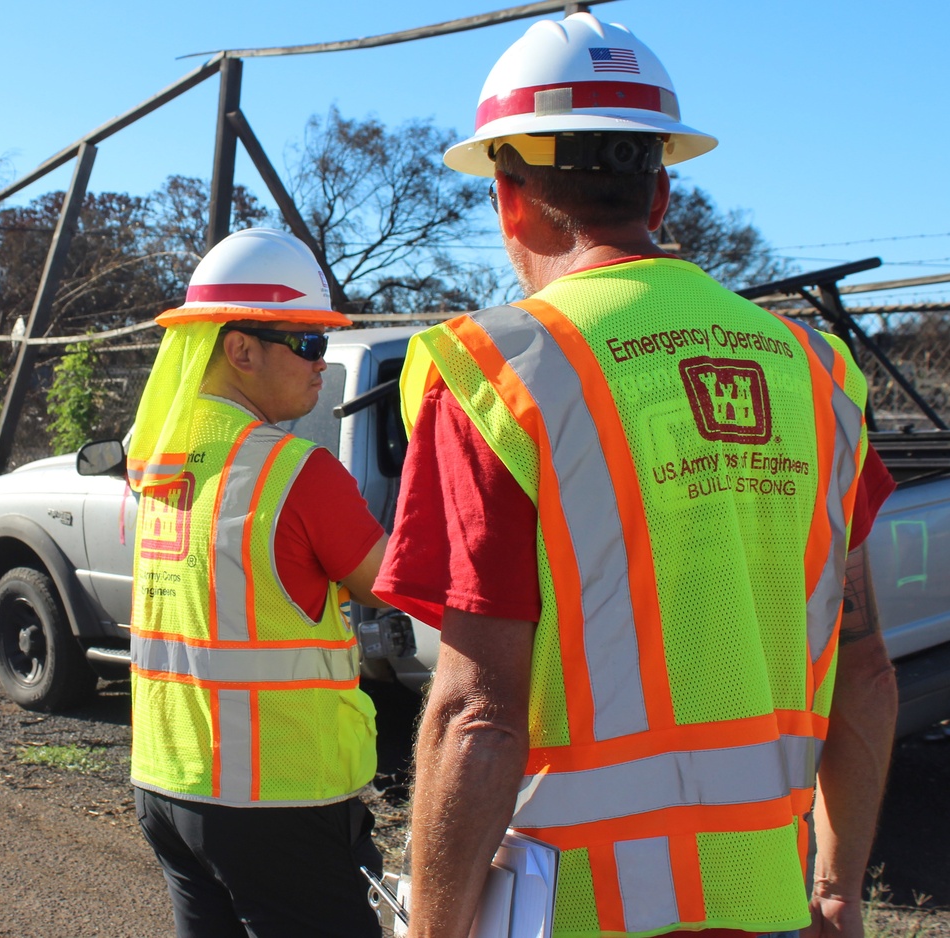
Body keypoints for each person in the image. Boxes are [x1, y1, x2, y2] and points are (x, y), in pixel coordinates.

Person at [374, 13, 898, 938]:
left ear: (509, 198)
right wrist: (836, 890)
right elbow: (863, 670)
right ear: (660, 192)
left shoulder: (502, 375)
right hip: (768, 906)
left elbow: (476, 716)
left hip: (571, 913)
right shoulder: (817, 375)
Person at [126, 227, 387, 938]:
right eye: (305, 342)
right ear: (239, 349)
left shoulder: (158, 463)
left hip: (167, 783)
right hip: (277, 798)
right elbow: (398, 583)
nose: (321, 363)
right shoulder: (298, 471)